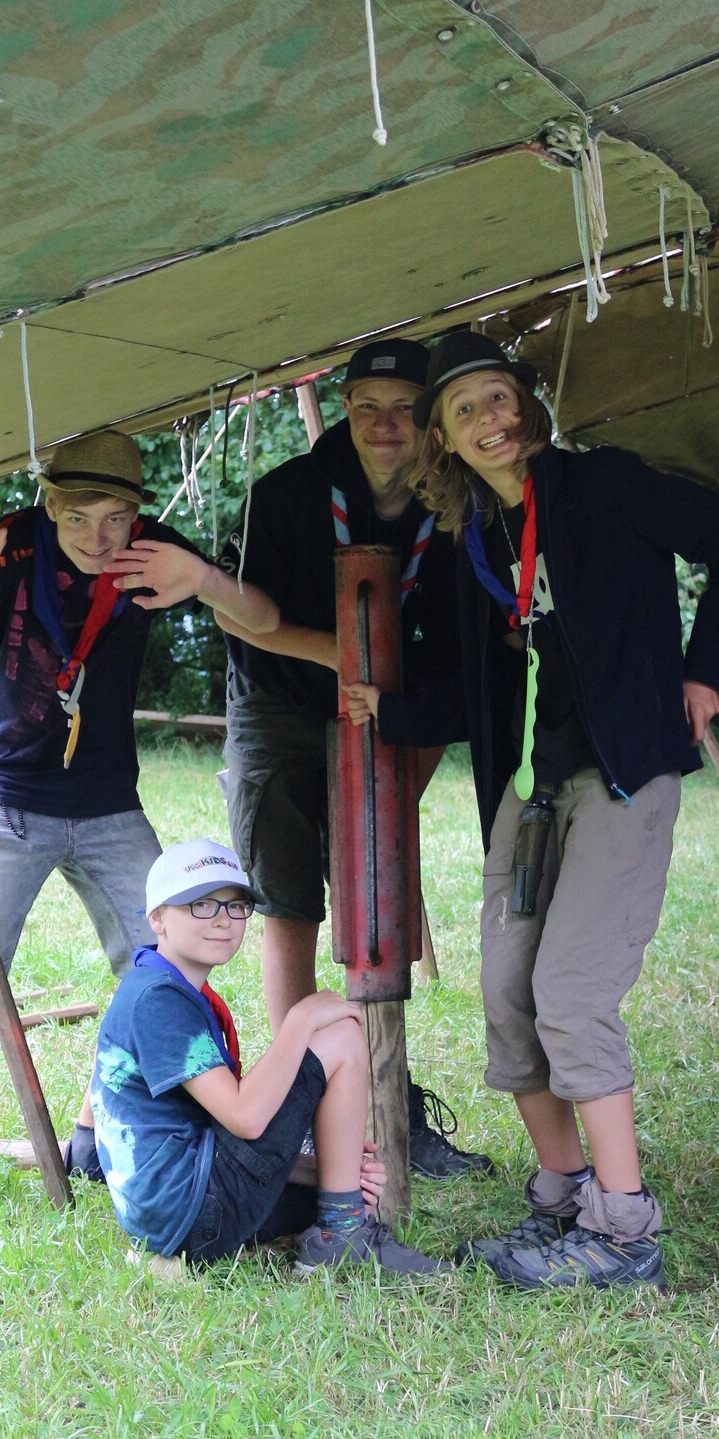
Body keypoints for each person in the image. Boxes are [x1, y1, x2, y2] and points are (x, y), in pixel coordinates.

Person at [345, 327, 719, 1291]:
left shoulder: (602, 484)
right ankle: (562, 1199)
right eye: (465, 410)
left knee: (572, 995)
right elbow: (474, 681)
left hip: (622, 775)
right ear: (443, 439)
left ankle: (624, 1234)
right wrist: (393, 712)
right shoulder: (467, 538)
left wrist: (705, 672)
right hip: (528, 793)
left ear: (525, 406)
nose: (488, 419)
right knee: (508, 998)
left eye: (498, 397)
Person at [0, 428, 280, 1226]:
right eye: (77, 518)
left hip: (106, 801)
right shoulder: (9, 549)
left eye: (115, 519)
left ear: (137, 514)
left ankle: (93, 1139)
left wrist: (204, 578)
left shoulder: (154, 550)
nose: (99, 539)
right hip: (2, 795)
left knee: (168, 963)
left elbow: (262, 619)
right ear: (49, 505)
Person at [217, 337, 492, 1181]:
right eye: (368, 407)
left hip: (391, 710)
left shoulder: (457, 504)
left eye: (404, 409)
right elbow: (236, 614)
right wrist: (342, 654)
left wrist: (413, 756)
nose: (384, 425)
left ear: (430, 420)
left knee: (379, 902)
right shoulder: (285, 493)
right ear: (344, 409)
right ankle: (304, 1106)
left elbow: (460, 649)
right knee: (288, 904)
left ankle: (385, 1100)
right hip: (280, 707)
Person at [92, 838, 449, 1277]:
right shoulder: (157, 1002)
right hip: (191, 1214)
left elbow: (217, 1127)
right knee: (339, 1037)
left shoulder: (155, 986)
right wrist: (301, 1017)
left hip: (172, 1214)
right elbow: (245, 1117)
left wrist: (326, 1171)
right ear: (157, 918)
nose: (223, 919)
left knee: (341, 1187)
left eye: (236, 905)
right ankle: (342, 1236)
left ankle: (341, 1215)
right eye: (201, 905)